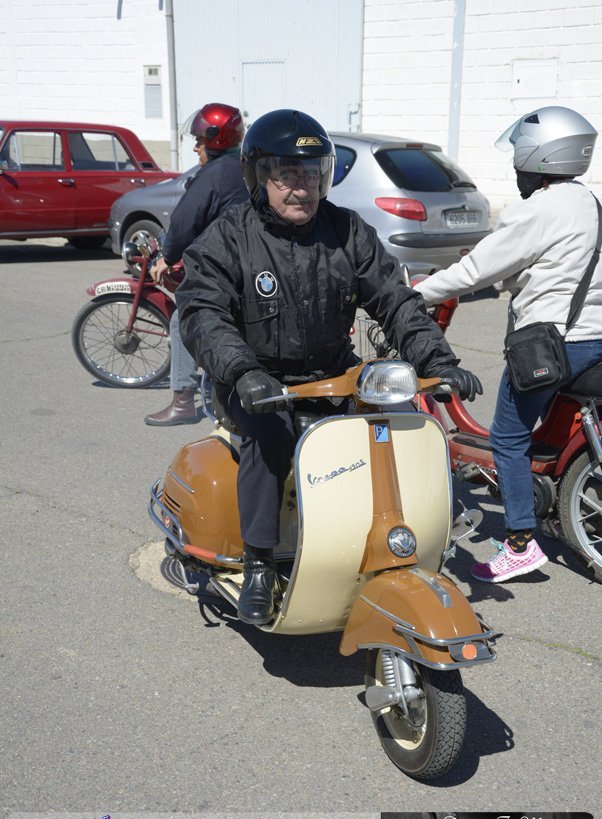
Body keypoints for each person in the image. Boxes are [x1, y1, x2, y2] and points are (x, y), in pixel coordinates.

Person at [177, 108, 482, 625]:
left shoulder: (346, 230)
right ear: (258, 177)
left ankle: (411, 534)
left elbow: (395, 300)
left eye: (311, 173)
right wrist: (243, 372)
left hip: (334, 372)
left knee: (399, 423)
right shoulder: (228, 236)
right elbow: (203, 312)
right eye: (287, 175)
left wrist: (439, 363)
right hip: (257, 379)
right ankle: (258, 563)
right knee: (272, 438)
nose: (302, 188)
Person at [417, 106, 602, 584]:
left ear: (537, 156)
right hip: (593, 340)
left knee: (508, 436)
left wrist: (413, 293)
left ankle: (520, 543)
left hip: (554, 345)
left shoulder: (539, 208)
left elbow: (477, 270)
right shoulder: (589, 203)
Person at [144, 103, 248, 426]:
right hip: (254, 264)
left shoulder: (213, 175)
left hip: (226, 269)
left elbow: (184, 222)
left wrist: (166, 257)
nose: (195, 148)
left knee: (184, 317)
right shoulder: (247, 166)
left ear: (215, 140)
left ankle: (183, 402)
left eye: (199, 141)